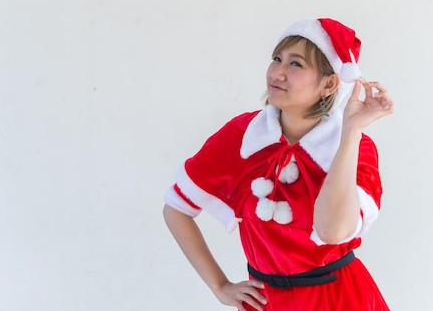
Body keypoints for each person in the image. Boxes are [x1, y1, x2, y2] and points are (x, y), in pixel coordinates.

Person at [163, 18, 394, 311]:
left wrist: (350, 132)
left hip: (339, 301)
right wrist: (219, 287)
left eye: (296, 64)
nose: (278, 73)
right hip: (266, 303)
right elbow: (177, 208)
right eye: (277, 59)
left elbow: (332, 232)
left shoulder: (355, 147)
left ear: (329, 83)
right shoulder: (242, 136)